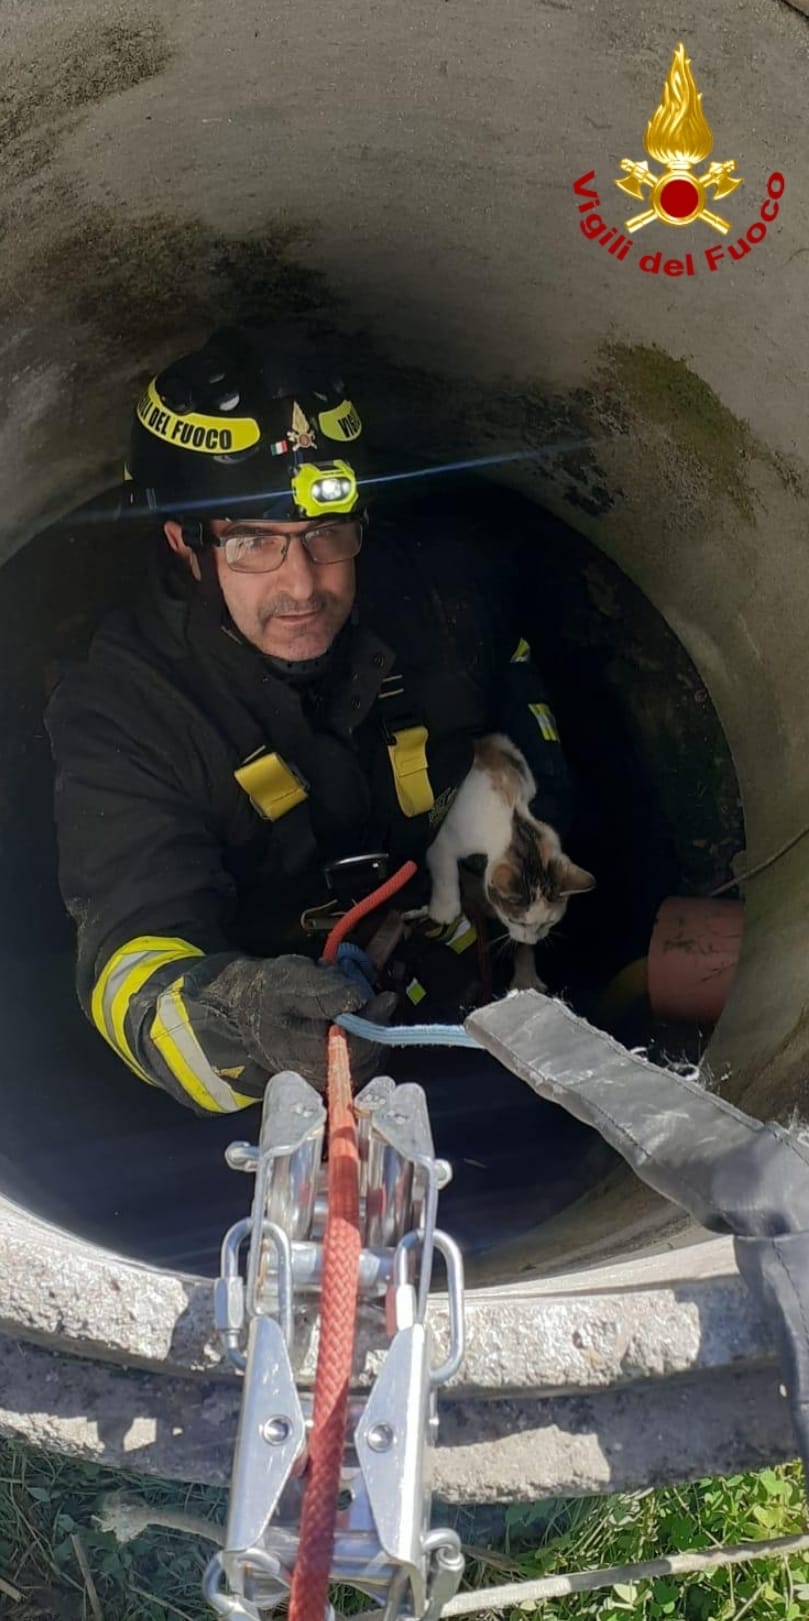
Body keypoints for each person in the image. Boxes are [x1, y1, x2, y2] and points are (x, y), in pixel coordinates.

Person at [45, 324, 575, 1116]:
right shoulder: (125, 710)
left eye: (326, 534)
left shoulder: (443, 599)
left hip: (469, 1013)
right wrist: (245, 1022)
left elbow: (536, 747)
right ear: (185, 543)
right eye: (253, 542)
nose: (301, 584)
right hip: (284, 1077)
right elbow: (130, 965)